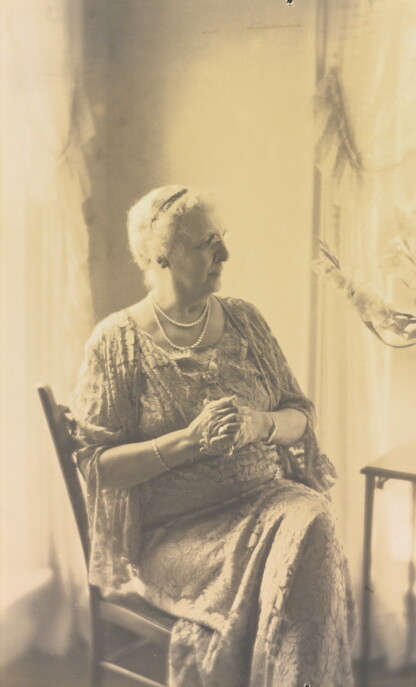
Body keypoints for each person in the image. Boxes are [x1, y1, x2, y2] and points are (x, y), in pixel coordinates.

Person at [71, 185, 357, 687]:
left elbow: (299, 415)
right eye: (207, 243)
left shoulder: (245, 320)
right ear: (162, 256)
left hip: (267, 503)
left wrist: (259, 424)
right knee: (298, 571)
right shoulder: (115, 343)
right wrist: (188, 441)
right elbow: (97, 466)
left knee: (313, 521)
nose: (225, 253)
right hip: (178, 536)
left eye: (222, 238)